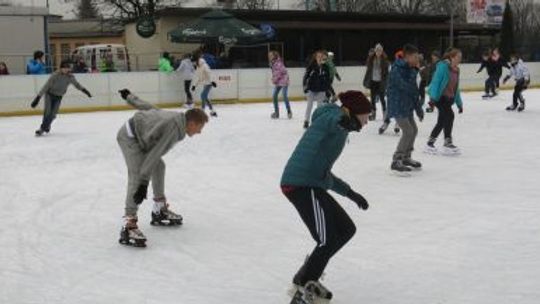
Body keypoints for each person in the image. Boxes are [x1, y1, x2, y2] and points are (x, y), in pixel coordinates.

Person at [281, 90, 371, 304]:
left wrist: (350, 193)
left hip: (313, 183)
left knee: (346, 229)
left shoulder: (342, 130)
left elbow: (324, 173)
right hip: (299, 184)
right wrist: (341, 119)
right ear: (353, 112)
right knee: (326, 240)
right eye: (366, 116)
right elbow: (328, 120)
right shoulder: (331, 119)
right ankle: (303, 292)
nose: (367, 121)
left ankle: (304, 277)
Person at [116, 89, 209, 247]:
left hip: (143, 136)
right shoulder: (174, 129)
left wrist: (130, 98)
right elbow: (154, 154)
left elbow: (151, 109)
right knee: (137, 177)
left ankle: (159, 209)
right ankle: (128, 223)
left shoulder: (177, 118)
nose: (200, 132)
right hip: (130, 137)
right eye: (200, 127)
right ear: (191, 123)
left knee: (159, 167)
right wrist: (144, 183)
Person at [386, 44, 423, 173]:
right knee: (408, 131)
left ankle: (406, 157)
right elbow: (405, 87)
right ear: (407, 57)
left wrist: (419, 109)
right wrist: (415, 73)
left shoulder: (411, 69)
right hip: (397, 105)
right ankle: (396, 159)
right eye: (415, 57)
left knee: (414, 130)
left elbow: (414, 92)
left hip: (407, 106)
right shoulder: (396, 69)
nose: (417, 60)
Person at [30, 60, 92, 136]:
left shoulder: (70, 77)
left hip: (59, 97)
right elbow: (46, 86)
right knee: (47, 112)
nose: (66, 69)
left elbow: (77, 85)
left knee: (53, 115)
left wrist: (85, 91)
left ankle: (47, 125)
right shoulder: (55, 75)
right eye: (64, 68)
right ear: (61, 68)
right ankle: (42, 129)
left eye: (67, 68)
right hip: (49, 95)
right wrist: (38, 98)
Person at [426, 48, 464, 155]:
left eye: (461, 57)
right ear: (452, 57)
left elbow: (456, 88)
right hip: (440, 98)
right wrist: (432, 99)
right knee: (450, 116)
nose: (460, 59)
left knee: (442, 121)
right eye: (458, 57)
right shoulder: (443, 67)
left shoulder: (456, 70)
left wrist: (459, 104)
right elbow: (436, 82)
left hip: (449, 99)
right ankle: (447, 142)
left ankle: (429, 143)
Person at [303, 50, 331, 129]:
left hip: (321, 90)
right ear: (315, 57)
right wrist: (305, 87)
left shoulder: (325, 67)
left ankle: (318, 121)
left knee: (320, 107)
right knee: (309, 105)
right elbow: (306, 77)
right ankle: (306, 121)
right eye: (318, 56)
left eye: (321, 57)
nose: (320, 58)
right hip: (311, 89)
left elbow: (328, 80)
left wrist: (327, 90)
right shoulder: (311, 66)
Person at [363, 43, 389, 121]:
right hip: (373, 81)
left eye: (380, 50)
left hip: (381, 82)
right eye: (377, 50)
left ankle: (385, 114)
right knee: (373, 99)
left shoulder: (384, 60)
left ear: (382, 51)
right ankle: (373, 113)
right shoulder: (371, 59)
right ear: (375, 51)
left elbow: (386, 72)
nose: (378, 52)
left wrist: (386, 81)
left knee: (382, 98)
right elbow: (368, 69)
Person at [192, 52, 218, 117]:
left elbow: (209, 73)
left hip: (209, 83)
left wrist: (212, 81)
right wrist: (194, 85)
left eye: (194, 62)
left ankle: (202, 111)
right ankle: (213, 111)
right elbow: (198, 77)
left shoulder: (204, 65)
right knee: (205, 97)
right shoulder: (198, 67)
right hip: (205, 83)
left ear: (197, 61)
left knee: (202, 95)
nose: (193, 63)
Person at [269, 50, 292, 119]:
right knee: (274, 96)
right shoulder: (273, 63)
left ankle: (289, 111)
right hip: (279, 81)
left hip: (284, 80)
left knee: (284, 96)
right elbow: (275, 73)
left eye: (271, 55)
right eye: (269, 55)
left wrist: (274, 80)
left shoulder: (278, 63)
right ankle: (276, 113)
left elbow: (279, 73)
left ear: (274, 56)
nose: (269, 56)